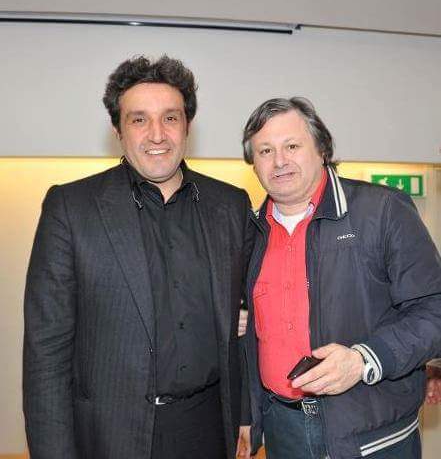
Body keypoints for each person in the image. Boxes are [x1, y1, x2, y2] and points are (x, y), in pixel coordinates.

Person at [23, 55, 253, 459]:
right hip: (110, 436)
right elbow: (46, 354)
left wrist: (248, 416)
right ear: (118, 130)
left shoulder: (230, 205)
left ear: (187, 125)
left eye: (170, 118)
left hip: (209, 430)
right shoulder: (71, 208)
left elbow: (253, 316)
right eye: (139, 119)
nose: (157, 134)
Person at [241, 97, 441, 459]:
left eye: (292, 146)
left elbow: (434, 310)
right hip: (282, 430)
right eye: (265, 150)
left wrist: (364, 359)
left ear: (322, 150)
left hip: (372, 434)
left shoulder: (382, 210)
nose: (279, 160)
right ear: (253, 164)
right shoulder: (249, 232)